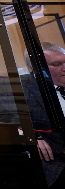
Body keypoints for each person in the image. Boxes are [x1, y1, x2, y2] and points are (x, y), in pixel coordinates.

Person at [22, 41, 65, 187]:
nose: (64, 68)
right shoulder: (18, 88)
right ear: (36, 68)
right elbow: (0, 121)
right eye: (57, 64)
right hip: (55, 166)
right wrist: (31, 137)